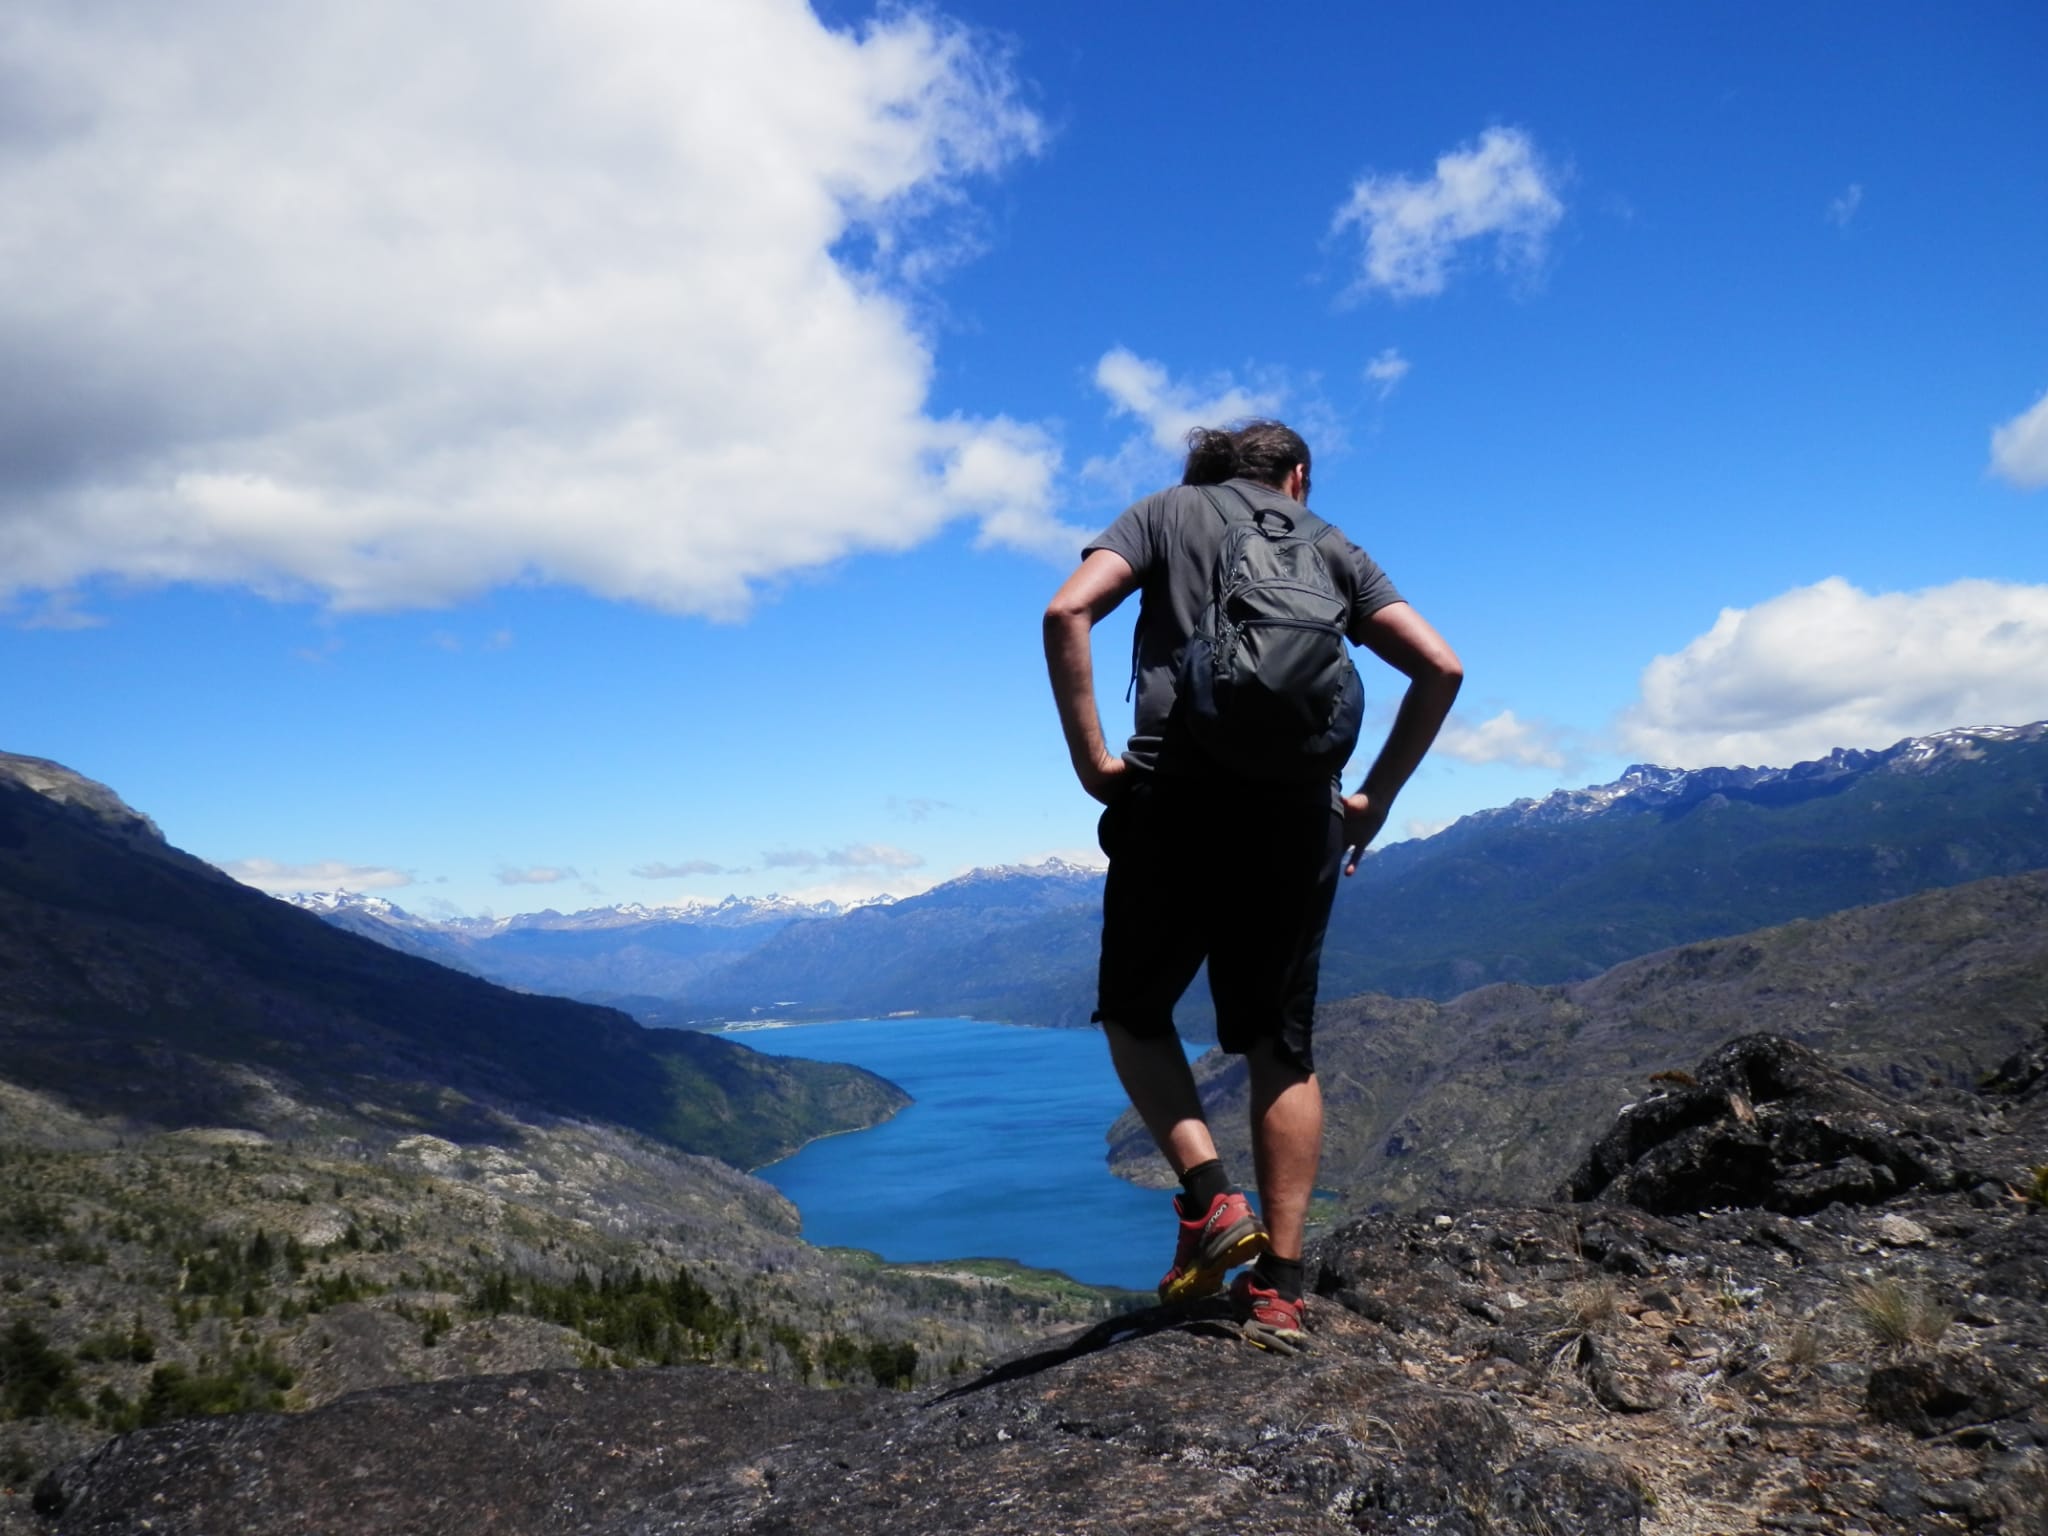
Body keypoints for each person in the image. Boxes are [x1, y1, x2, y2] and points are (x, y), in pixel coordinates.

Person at [1043, 420, 1462, 1350]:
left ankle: (1206, 1195)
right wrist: (1375, 800)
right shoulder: (1333, 548)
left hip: (1172, 797)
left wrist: (1092, 761)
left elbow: (1066, 611)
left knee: (1135, 1013)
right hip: (1296, 815)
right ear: (1298, 476)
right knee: (1281, 1047)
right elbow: (1441, 665)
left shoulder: (1162, 514)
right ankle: (1279, 1287)